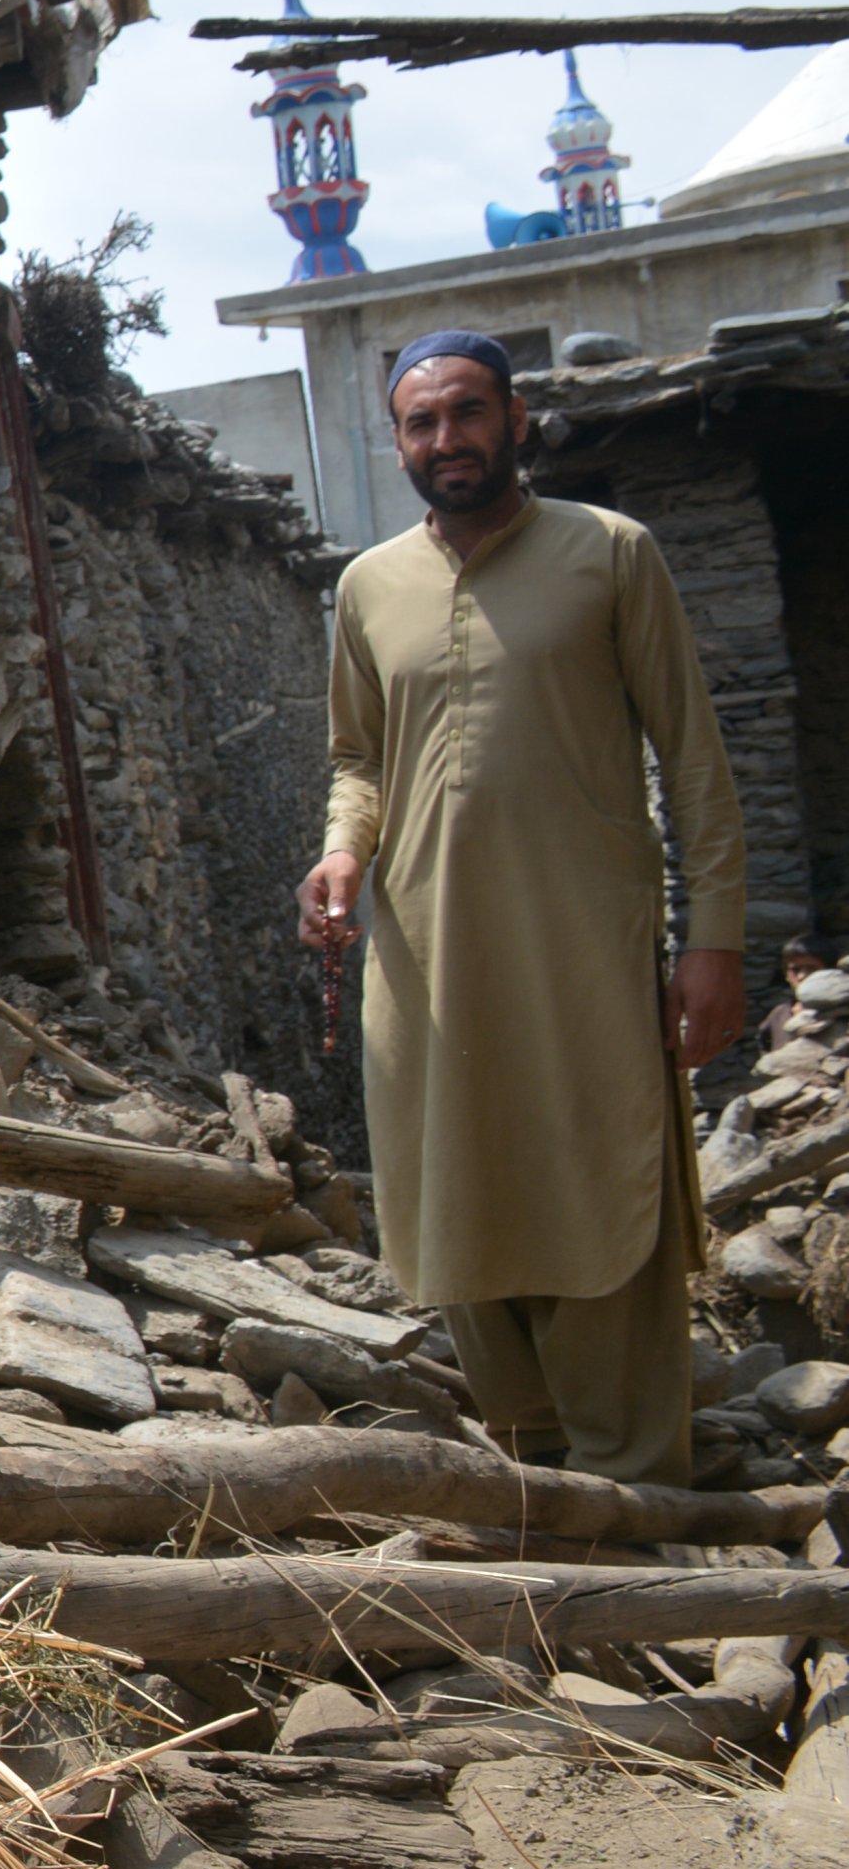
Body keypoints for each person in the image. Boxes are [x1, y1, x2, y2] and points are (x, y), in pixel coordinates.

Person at [298, 328, 745, 1488]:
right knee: (459, 1177)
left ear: (516, 419)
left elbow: (693, 761)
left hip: (582, 940)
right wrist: (343, 852)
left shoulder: (611, 554)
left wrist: (716, 942)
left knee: (597, 1163)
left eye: (468, 413)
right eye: (422, 422)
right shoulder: (366, 587)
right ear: (396, 442)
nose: (448, 439)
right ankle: (534, 1455)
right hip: (424, 946)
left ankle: (634, 1469)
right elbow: (358, 757)